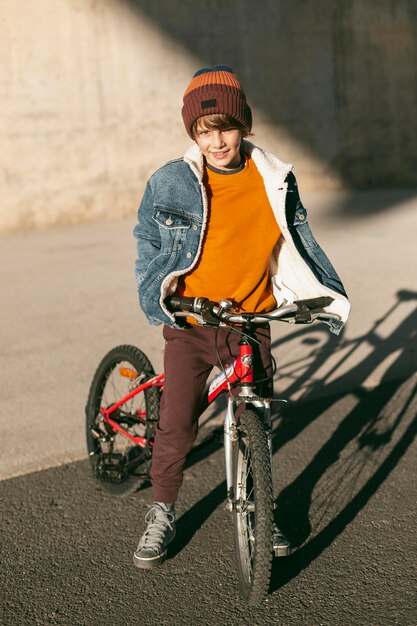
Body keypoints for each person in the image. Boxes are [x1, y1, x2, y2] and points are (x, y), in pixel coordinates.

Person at [133, 65, 350, 569]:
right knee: (177, 427)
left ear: (244, 125)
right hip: (190, 323)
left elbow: (298, 243)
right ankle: (162, 511)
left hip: (249, 323)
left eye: (225, 126)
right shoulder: (171, 181)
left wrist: (309, 296)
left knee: (256, 419)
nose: (216, 140)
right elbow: (146, 242)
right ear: (193, 132)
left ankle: (260, 509)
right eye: (204, 130)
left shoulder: (274, 178)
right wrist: (158, 294)